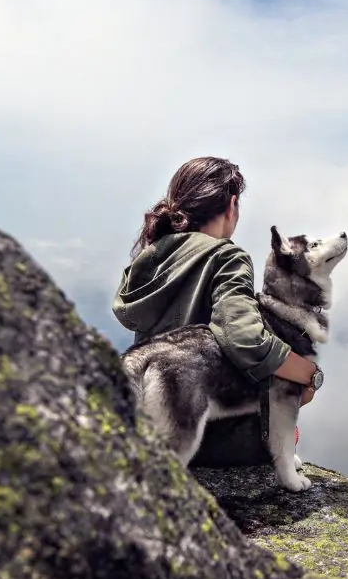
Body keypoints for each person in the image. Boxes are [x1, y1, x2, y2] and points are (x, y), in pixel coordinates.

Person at [112, 157, 320, 467]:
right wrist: (309, 374)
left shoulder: (151, 257)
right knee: (287, 422)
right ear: (232, 203)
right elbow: (244, 337)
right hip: (210, 438)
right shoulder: (226, 256)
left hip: (151, 428)